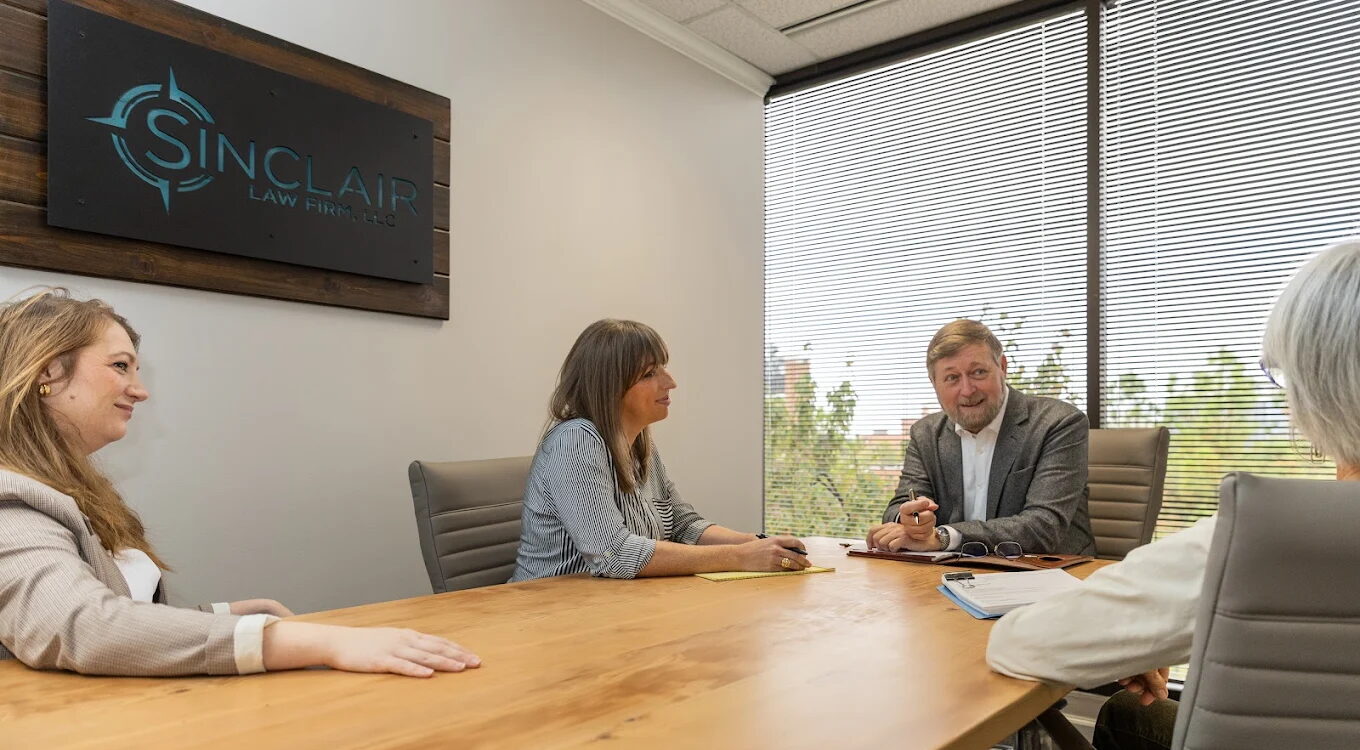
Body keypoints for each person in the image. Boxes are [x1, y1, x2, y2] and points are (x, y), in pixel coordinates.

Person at [986, 239, 1360, 750]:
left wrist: (1133, 638)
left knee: (1128, 716)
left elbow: (1018, 642)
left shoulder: (1268, 535)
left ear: (1320, 387)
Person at [0, 288, 479, 677]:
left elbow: (114, 612)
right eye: (120, 366)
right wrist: (310, 640)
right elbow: (81, 626)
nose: (140, 390)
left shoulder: (63, 486)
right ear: (48, 370)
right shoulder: (11, 501)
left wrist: (221, 615)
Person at [510, 319, 809, 581]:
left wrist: (757, 544)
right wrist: (740, 558)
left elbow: (682, 525)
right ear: (610, 386)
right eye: (650, 373)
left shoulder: (640, 445)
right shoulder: (576, 441)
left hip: (609, 606)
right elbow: (614, 553)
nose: (670, 382)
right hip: (545, 612)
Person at [866, 319, 1095, 555]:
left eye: (978, 372)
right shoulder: (926, 434)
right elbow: (902, 504)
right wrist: (911, 521)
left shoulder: (1058, 423)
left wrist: (944, 537)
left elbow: (1044, 526)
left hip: (1050, 573)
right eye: (952, 378)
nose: (967, 390)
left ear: (1002, 367)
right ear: (934, 383)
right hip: (951, 576)